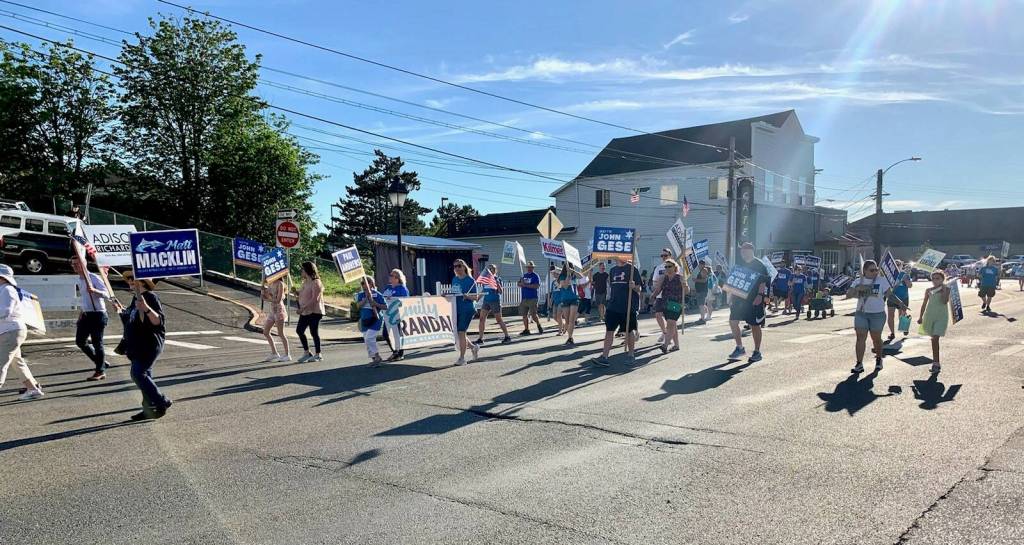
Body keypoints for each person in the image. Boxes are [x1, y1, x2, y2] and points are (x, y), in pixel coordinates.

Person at [120, 271, 171, 420]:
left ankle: (162, 400)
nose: (129, 282)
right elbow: (132, 321)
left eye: (132, 279)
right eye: (128, 279)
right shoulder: (135, 298)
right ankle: (151, 408)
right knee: (144, 375)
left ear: (142, 282)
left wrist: (147, 308)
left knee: (138, 374)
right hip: (137, 344)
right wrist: (122, 312)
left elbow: (158, 321)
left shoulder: (150, 297)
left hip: (149, 344)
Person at [0, 265, 44, 400]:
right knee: (17, 362)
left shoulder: (7, 290)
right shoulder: (3, 289)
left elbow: (5, 312)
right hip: (10, 331)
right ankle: (32, 389)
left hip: (11, 331)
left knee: (1, 363)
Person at [591, 256, 643, 367]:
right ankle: (604, 357)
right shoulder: (612, 270)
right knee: (609, 330)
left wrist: (634, 286)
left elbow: (639, 288)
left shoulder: (632, 269)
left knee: (629, 330)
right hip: (614, 305)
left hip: (628, 305)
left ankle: (631, 355)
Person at [72, 258, 117, 381]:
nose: (75, 266)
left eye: (77, 264)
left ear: (84, 264)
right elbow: (85, 299)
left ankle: (100, 371)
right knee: (80, 341)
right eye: (73, 265)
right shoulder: (80, 280)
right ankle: (101, 362)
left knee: (97, 343)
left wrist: (94, 290)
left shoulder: (93, 278)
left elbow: (108, 294)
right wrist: (81, 313)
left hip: (98, 314)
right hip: (86, 314)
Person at [847, 259, 892, 374]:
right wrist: (858, 288)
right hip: (861, 313)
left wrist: (901, 303)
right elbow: (848, 295)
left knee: (876, 339)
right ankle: (859, 363)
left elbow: (889, 295)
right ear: (865, 271)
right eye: (872, 270)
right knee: (860, 337)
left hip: (877, 314)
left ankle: (878, 359)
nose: (875, 272)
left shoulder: (882, 280)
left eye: (876, 269)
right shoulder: (858, 281)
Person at [728, 242, 768, 363]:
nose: (742, 252)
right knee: (733, 322)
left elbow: (763, 282)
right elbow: (734, 279)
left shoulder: (759, 264)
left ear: (750, 250)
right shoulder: (739, 263)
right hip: (739, 298)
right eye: (741, 250)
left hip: (753, 298)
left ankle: (757, 351)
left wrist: (760, 296)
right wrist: (730, 295)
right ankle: (740, 348)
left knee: (754, 325)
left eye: (744, 250)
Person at [651, 258, 687, 354]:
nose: (667, 268)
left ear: (674, 267)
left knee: (670, 323)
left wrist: (685, 286)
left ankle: (665, 345)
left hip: (676, 304)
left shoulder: (680, 277)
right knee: (672, 325)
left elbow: (687, 291)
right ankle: (676, 345)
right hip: (665, 304)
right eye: (665, 266)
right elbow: (658, 289)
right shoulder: (664, 278)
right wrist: (653, 296)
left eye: (669, 266)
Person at [918, 270, 950, 375]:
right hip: (930, 316)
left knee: (935, 338)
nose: (935, 281)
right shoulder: (929, 290)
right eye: (933, 279)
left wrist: (944, 290)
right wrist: (920, 317)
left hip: (941, 317)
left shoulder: (946, 288)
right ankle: (935, 361)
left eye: (938, 278)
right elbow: (924, 304)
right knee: (933, 340)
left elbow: (944, 301)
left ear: (942, 279)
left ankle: (936, 363)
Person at [451, 259, 481, 365]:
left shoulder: (470, 280)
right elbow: (454, 294)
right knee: (459, 334)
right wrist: (447, 295)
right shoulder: (454, 279)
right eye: (455, 266)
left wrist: (467, 296)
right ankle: (473, 347)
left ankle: (462, 358)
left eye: (459, 266)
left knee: (461, 332)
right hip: (457, 309)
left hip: (467, 309)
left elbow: (476, 297)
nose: (457, 268)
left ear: (464, 267)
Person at [296, 261, 325, 363]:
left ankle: (318, 354)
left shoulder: (316, 282)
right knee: (299, 330)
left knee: (313, 332)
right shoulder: (305, 282)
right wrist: (296, 292)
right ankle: (307, 353)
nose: (301, 271)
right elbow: (303, 294)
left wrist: (302, 308)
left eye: (302, 269)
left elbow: (315, 299)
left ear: (307, 270)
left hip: (315, 311)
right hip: (305, 311)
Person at [476, 264, 511, 345]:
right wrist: (478, 298)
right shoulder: (486, 279)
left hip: (495, 301)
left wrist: (497, 282)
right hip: (486, 301)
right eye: (489, 269)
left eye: (492, 269)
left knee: (499, 320)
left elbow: (500, 291)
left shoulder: (497, 279)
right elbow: (484, 290)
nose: (490, 270)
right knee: (481, 319)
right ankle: (480, 338)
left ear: (495, 270)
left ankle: (507, 336)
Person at [356, 276, 387, 365]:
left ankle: (377, 356)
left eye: (365, 283)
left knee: (370, 338)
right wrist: (366, 298)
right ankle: (373, 358)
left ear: (371, 284)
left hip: (375, 319)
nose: (363, 285)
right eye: (362, 283)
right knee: (366, 339)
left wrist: (375, 303)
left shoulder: (377, 294)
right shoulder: (361, 294)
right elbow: (358, 306)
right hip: (365, 320)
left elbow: (385, 306)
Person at [380, 268, 410, 361]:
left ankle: (399, 353)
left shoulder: (402, 289)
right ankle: (395, 351)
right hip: (387, 315)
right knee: (386, 334)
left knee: (397, 335)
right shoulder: (387, 287)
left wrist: (392, 299)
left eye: (391, 275)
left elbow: (405, 302)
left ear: (397, 278)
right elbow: (382, 298)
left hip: (397, 315)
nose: (389, 277)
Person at [261, 274, 291, 362]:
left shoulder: (280, 284)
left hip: (279, 311)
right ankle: (274, 353)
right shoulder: (270, 284)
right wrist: (263, 290)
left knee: (281, 333)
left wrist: (267, 299)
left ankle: (287, 354)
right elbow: (266, 295)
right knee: (266, 332)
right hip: (272, 311)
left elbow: (278, 300)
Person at [885, 261, 913, 343]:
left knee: (902, 315)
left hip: (903, 297)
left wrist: (906, 280)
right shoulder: (888, 275)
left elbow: (910, 286)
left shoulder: (904, 274)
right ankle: (892, 333)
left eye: (898, 264)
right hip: (892, 297)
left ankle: (904, 328)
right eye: (895, 264)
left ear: (901, 266)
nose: (897, 266)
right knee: (890, 315)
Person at [517, 261, 544, 335]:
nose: (529, 269)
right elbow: (518, 284)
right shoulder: (523, 275)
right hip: (524, 298)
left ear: (533, 268)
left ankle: (538, 324)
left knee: (533, 314)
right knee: (524, 315)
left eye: (530, 267)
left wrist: (525, 285)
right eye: (528, 267)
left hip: (533, 298)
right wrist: (521, 283)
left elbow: (536, 286)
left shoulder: (535, 276)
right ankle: (526, 329)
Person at [651, 249, 672, 342]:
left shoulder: (674, 266)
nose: (663, 257)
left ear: (670, 256)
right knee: (658, 315)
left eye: (665, 255)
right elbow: (654, 281)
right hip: (660, 295)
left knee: (670, 318)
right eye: (662, 256)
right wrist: (656, 288)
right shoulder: (658, 268)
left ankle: (669, 337)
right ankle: (664, 332)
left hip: (671, 296)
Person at [557, 263, 580, 345]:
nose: (570, 269)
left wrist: (572, 271)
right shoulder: (562, 277)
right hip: (565, 299)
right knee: (567, 321)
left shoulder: (574, 275)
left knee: (572, 319)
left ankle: (570, 337)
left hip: (574, 298)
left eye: (572, 267)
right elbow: (566, 286)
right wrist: (568, 275)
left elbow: (581, 276)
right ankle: (568, 333)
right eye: (570, 267)